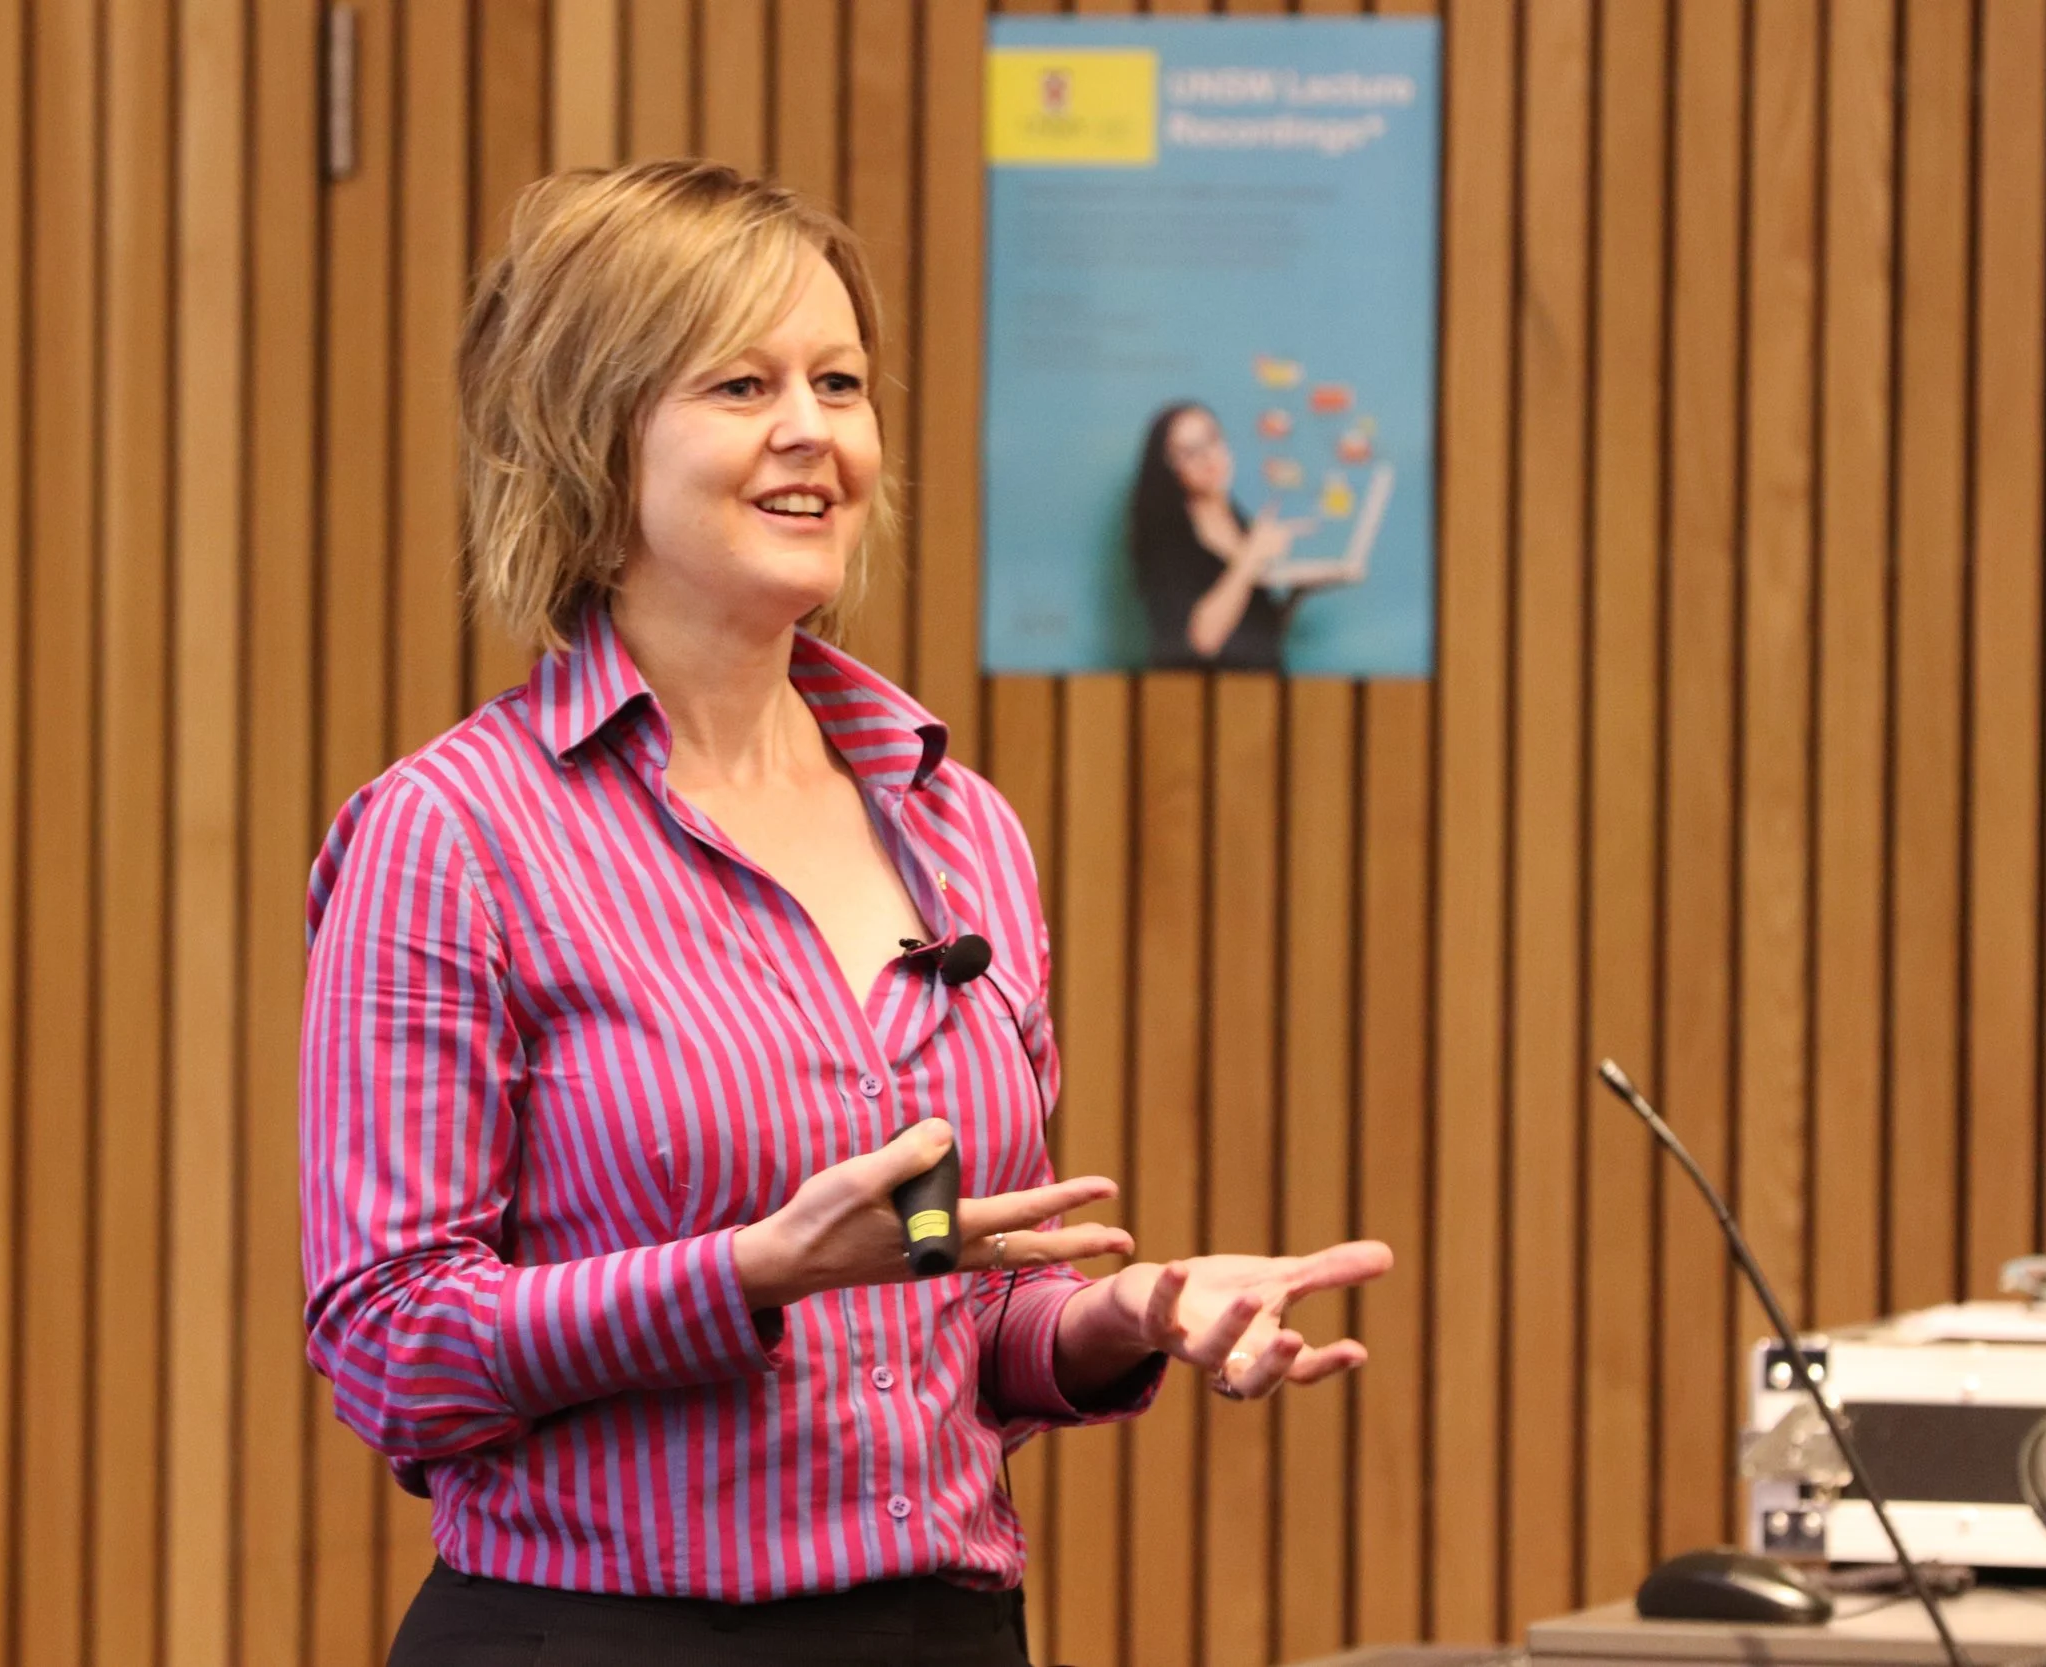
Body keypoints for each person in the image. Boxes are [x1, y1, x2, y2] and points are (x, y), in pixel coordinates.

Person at [299, 159, 1393, 1667]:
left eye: (842, 381)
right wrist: (747, 1272)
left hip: (942, 1627)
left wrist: (1125, 1312)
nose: (814, 429)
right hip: (599, 1635)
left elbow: (946, 1300)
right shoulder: (453, 835)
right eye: (742, 384)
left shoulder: (957, 823)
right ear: (589, 433)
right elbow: (388, 1348)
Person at [1129, 401, 1368, 671]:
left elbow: (1254, 633)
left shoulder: (1241, 522)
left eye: (1212, 439)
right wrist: (1252, 555)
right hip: (1202, 699)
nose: (1209, 457)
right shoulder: (1165, 538)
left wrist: (1296, 593)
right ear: (1170, 467)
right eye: (1189, 452)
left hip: (1260, 693)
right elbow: (1203, 641)